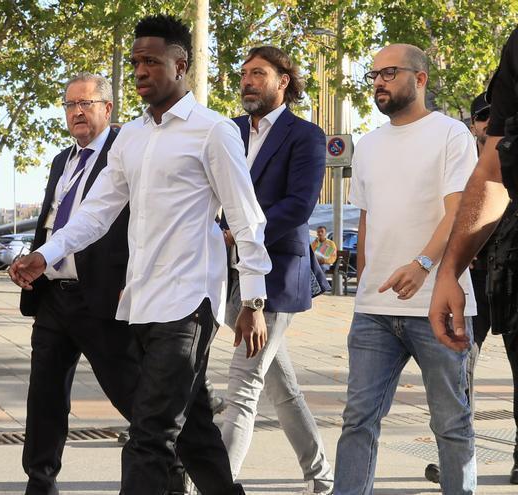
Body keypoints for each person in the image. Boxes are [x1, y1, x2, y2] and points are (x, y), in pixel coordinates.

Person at [10, 14, 270, 495]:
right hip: (138, 303)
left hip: (190, 303)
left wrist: (253, 303)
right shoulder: (130, 136)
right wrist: (45, 256)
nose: (141, 71)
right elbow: (94, 213)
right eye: (135, 62)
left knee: (149, 436)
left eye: (152, 61)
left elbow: (246, 219)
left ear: (181, 64)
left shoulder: (213, 131)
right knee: (191, 427)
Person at [333, 44, 477, 495]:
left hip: (439, 301)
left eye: (389, 73)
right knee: (358, 419)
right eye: (374, 74)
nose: (378, 81)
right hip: (373, 311)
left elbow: (458, 212)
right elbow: (366, 218)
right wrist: (362, 282)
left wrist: (423, 264)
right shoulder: (370, 145)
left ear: (420, 79)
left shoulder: (451, 134)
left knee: (451, 423)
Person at [217, 45, 333, 495]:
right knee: (281, 389)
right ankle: (322, 476)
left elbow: (300, 206)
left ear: (283, 81)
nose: (247, 81)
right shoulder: (228, 131)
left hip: (275, 274)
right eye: (244, 73)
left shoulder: (304, 135)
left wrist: (240, 234)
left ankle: (217, 485)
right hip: (228, 272)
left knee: (243, 386)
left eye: (258, 73)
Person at [430, 27, 518, 484]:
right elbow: (493, 170)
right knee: (462, 361)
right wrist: (450, 272)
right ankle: (458, 458)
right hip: (497, 274)